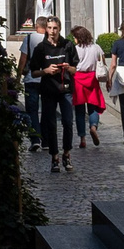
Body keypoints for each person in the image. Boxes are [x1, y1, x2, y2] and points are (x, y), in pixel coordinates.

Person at [27, 17, 78, 174]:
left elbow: (76, 69)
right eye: (49, 28)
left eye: (55, 28)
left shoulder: (68, 45)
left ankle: (67, 154)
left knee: (68, 122)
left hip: (66, 89)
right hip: (48, 90)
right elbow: (33, 72)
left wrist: (69, 68)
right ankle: (54, 157)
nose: (52, 31)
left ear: (59, 28)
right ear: (46, 29)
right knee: (51, 125)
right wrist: (46, 71)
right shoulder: (41, 48)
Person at [70, 26, 106, 148]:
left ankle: (82, 138)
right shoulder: (96, 48)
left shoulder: (75, 49)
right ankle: (93, 126)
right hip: (92, 79)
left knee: (79, 111)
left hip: (78, 79)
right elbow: (103, 63)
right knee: (93, 106)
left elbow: (72, 65)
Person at [17, 18, 45, 151]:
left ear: (36, 26)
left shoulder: (28, 39)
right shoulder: (50, 39)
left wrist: (17, 77)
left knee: (32, 110)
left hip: (31, 79)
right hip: (47, 79)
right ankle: (46, 140)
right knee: (47, 110)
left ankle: (35, 139)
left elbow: (23, 59)